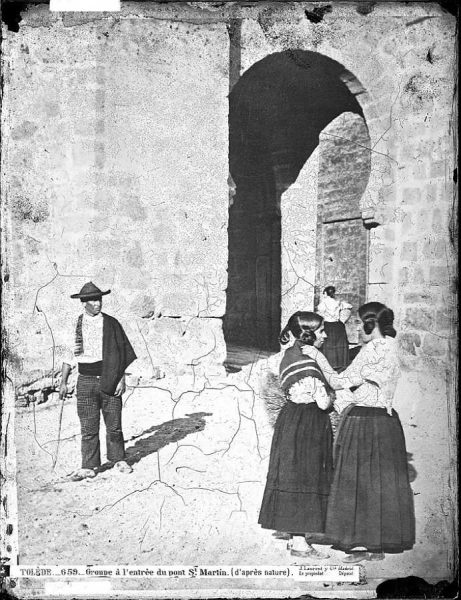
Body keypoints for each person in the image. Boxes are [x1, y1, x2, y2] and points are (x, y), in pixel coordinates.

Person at [302, 302, 415, 562]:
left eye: (357, 322)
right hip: (387, 422)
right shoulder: (391, 346)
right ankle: (375, 545)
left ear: (370, 324)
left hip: (365, 421)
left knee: (359, 481)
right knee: (379, 483)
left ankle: (361, 544)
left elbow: (337, 381)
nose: (353, 326)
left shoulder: (372, 349)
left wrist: (317, 356)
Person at [258, 311, 359, 559]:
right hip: (310, 424)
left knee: (293, 475)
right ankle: (300, 543)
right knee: (307, 476)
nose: (325, 334)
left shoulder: (284, 357)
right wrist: (336, 395)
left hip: (290, 420)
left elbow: (271, 380)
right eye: (322, 330)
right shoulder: (308, 364)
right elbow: (324, 403)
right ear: (309, 333)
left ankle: (296, 537)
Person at [59, 282, 137, 482]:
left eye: (99, 299)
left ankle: (118, 459)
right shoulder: (75, 325)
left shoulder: (111, 323)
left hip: (109, 378)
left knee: (114, 424)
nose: (97, 303)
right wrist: (63, 382)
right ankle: (89, 466)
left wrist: (121, 379)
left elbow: (121, 354)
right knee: (88, 426)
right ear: (83, 303)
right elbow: (68, 357)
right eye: (93, 300)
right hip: (84, 382)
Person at [316, 286, 352, 372]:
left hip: (328, 325)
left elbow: (320, 312)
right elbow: (349, 306)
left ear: (325, 293)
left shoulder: (323, 303)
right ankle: (340, 363)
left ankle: (329, 363)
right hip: (338, 325)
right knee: (338, 343)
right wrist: (343, 319)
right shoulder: (338, 302)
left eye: (324, 293)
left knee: (328, 344)